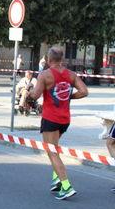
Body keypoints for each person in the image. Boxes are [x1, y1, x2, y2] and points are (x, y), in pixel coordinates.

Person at [29, 47, 88, 200]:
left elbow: (35, 96)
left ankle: (66, 186)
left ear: (49, 60)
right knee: (54, 148)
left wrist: (28, 91)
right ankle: (56, 180)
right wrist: (68, 97)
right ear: (62, 59)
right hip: (65, 119)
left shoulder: (45, 75)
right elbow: (84, 91)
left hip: (50, 118)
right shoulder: (71, 74)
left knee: (52, 152)